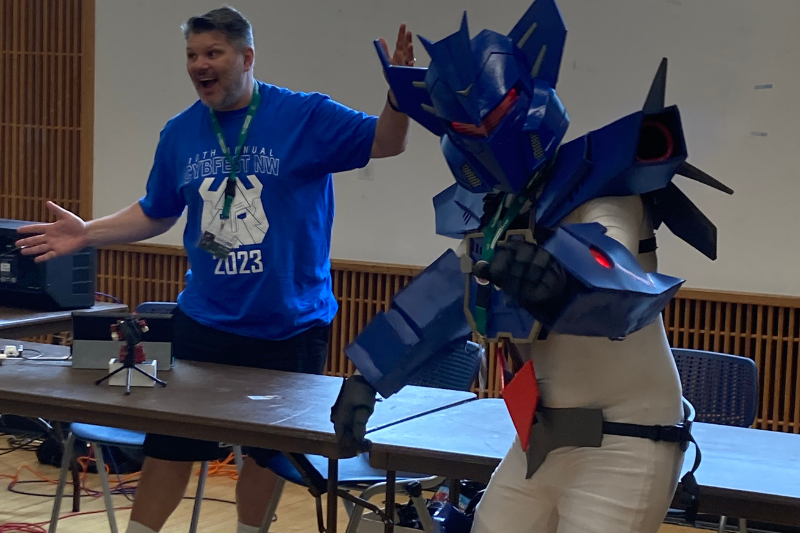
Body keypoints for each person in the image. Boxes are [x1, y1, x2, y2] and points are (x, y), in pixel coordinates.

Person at [330, 0, 731, 532]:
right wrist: (368, 377)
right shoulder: (495, 216)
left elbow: (616, 274)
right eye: (464, 127)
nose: (482, 136)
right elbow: (443, 298)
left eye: (490, 119)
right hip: (538, 441)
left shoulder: (602, 186)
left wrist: (561, 283)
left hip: (628, 443)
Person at [16, 6, 415, 533]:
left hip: (290, 327)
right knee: (170, 448)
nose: (200, 65)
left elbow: (387, 142)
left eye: (213, 54)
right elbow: (157, 211)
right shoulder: (180, 132)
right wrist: (89, 231)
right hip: (206, 322)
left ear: (246, 57)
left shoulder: (305, 116)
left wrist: (399, 97)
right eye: (191, 55)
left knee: (268, 455)